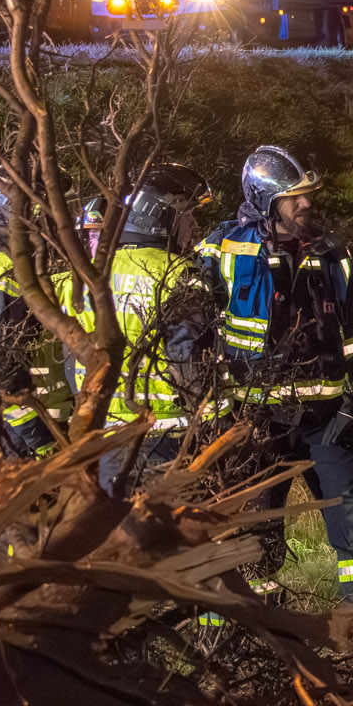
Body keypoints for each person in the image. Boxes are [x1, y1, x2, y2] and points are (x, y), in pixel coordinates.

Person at [199, 146, 353, 604]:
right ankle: (259, 617)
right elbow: (196, 329)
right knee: (254, 522)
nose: (307, 204)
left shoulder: (333, 252)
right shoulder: (222, 249)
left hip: (326, 415)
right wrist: (214, 406)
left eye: (309, 195)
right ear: (267, 200)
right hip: (253, 417)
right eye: (295, 197)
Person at [52, 166, 218, 491]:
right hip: (167, 435)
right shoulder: (180, 276)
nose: (195, 226)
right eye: (187, 214)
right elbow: (191, 367)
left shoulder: (87, 278)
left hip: (102, 434)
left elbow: (69, 362)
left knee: (115, 535)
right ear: (160, 216)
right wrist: (216, 425)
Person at [0, 185, 72, 456]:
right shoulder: (8, 275)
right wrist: (40, 437)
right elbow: (1, 364)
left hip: (2, 415)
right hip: (23, 421)